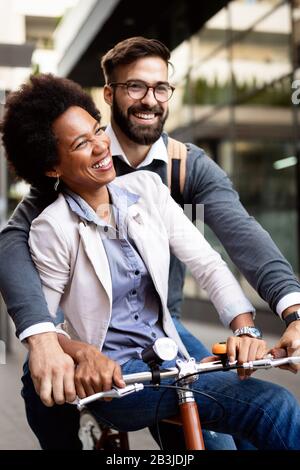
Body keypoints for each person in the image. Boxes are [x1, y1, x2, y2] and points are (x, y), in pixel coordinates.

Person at [0, 37, 299, 449]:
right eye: (135, 87)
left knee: (248, 425)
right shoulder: (52, 210)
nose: (150, 99)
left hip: (168, 332)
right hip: (114, 365)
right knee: (40, 375)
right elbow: (13, 247)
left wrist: (257, 322)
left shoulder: (167, 176)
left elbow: (224, 250)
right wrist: (55, 345)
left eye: (161, 87)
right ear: (109, 94)